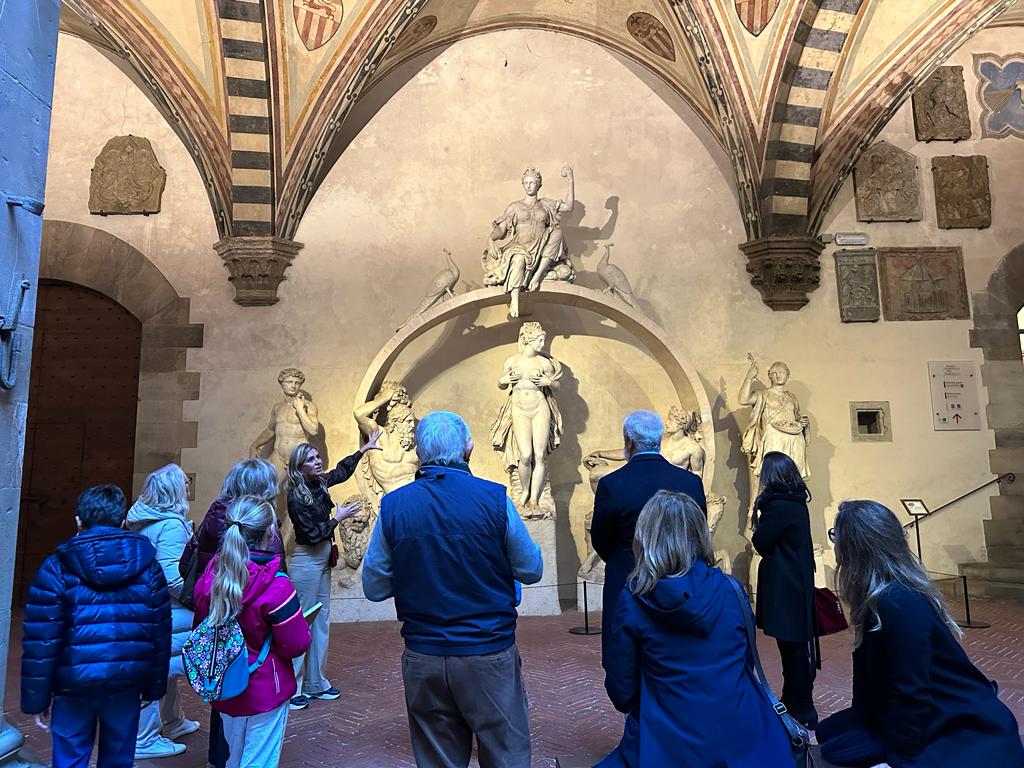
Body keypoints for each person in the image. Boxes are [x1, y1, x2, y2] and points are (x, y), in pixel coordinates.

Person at [362, 411, 543, 768]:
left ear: (419, 454)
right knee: (506, 753)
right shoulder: (494, 499)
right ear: (468, 447)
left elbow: (374, 586)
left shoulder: (394, 506)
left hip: (424, 654)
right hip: (487, 651)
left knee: (437, 759)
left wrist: (417, 571)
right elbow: (532, 568)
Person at [818, 500, 1024, 768]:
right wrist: (861, 720)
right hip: (902, 708)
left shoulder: (898, 604)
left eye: (836, 534)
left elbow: (912, 689)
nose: (834, 542)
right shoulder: (876, 598)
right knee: (828, 735)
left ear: (856, 545)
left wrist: (899, 761)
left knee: (840, 751)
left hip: (954, 715)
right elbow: (869, 676)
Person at [597, 490, 792, 767]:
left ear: (645, 538)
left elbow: (622, 692)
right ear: (700, 535)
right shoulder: (732, 591)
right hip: (744, 737)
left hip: (666, 741)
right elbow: (744, 662)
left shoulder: (634, 600)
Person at [21, 484, 171, 768]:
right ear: (123, 520)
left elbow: (42, 640)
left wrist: (36, 699)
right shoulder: (149, 567)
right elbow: (159, 633)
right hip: (126, 682)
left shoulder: (56, 567)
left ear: (78, 521)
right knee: (118, 759)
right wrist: (153, 688)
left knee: (69, 758)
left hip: (73, 684)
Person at [192, 496, 312, 768]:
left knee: (234, 757)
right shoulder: (276, 586)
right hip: (265, 686)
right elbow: (295, 644)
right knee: (259, 761)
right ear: (270, 533)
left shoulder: (211, 578)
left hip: (225, 684)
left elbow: (202, 628)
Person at [180, 457, 284, 768]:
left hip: (216, 615)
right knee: (248, 688)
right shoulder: (256, 526)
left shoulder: (215, 516)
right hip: (249, 617)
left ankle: (219, 758)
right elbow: (273, 578)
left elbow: (189, 565)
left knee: (222, 689)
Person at [590, 410, 706, 669]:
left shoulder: (612, 484)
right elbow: (699, 535)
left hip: (627, 580)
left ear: (629, 443)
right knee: (677, 660)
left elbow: (600, 539)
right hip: (680, 584)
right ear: (659, 440)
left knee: (627, 660)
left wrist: (626, 558)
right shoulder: (689, 483)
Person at [286, 434, 381, 710]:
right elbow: (311, 534)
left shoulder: (320, 483)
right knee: (300, 621)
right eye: (311, 460)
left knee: (321, 620)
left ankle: (316, 683)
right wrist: (337, 519)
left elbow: (341, 470)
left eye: (317, 458)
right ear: (298, 467)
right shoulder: (295, 495)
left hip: (323, 560)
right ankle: (293, 687)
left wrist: (362, 449)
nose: (318, 462)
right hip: (306, 562)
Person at [126, 464, 200, 758]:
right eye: (183, 483)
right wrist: (197, 600)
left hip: (146, 606)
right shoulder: (170, 525)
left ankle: (173, 720)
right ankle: (144, 738)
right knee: (165, 662)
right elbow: (172, 575)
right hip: (164, 608)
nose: (187, 487)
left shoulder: (144, 521)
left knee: (163, 663)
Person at [750, 451, 817, 728]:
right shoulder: (795, 502)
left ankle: (801, 707)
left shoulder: (779, 507)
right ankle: (794, 701)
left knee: (793, 651)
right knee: (794, 649)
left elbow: (762, 542)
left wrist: (758, 523)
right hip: (795, 582)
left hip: (786, 585)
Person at [248, 368, 321, 550]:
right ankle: (265, 541)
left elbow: (313, 430)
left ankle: (288, 547)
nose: (293, 385)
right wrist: (255, 445)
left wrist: (300, 410)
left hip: (299, 460)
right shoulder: (278, 408)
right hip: (279, 456)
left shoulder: (309, 406)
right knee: (265, 494)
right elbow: (271, 430)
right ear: (282, 384)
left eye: (297, 383)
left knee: (296, 503)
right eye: (290, 382)